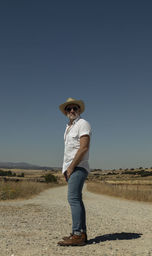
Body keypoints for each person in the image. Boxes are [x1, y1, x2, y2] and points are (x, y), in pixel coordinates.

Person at [57, 97, 92, 246]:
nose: (72, 110)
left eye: (75, 108)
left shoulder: (83, 124)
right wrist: (66, 169)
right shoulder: (68, 127)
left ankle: (77, 234)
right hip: (71, 168)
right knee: (76, 199)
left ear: (79, 110)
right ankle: (80, 233)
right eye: (69, 108)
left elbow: (84, 147)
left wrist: (71, 167)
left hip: (78, 167)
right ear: (65, 111)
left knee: (73, 199)